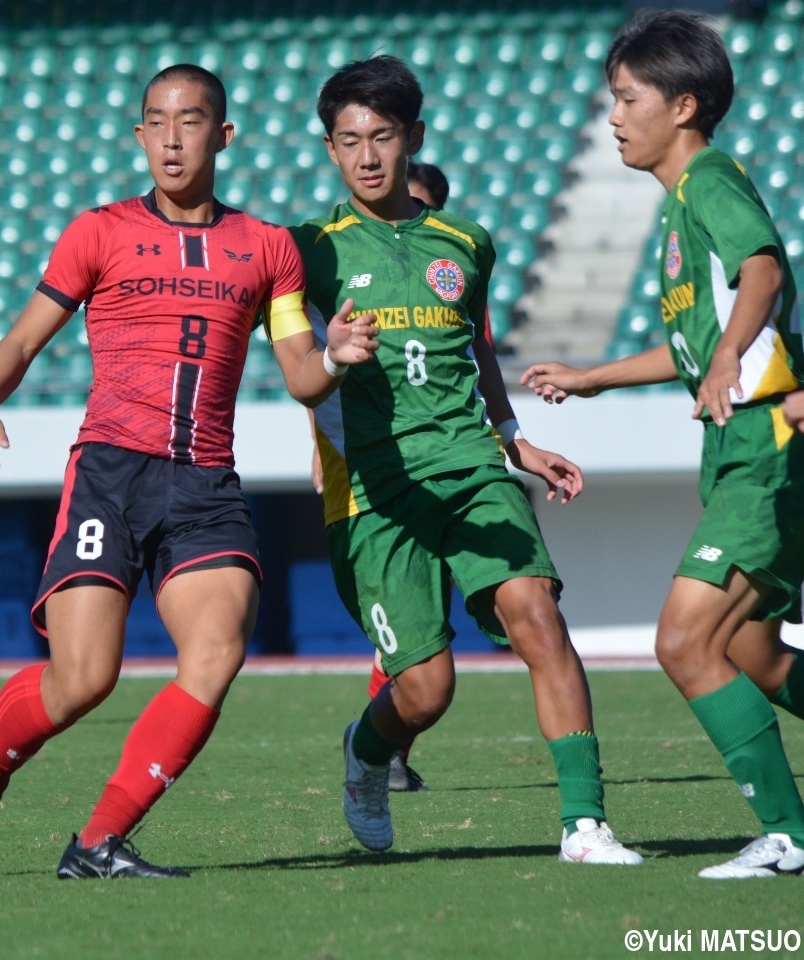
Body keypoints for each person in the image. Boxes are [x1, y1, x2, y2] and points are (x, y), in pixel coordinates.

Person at [0, 64, 377, 880]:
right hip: (110, 472)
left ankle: (98, 842)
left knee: (215, 652)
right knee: (81, 680)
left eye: (192, 120)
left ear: (224, 134)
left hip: (205, 483)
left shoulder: (267, 247)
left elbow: (298, 373)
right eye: (158, 122)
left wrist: (336, 357)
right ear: (139, 135)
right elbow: (25, 337)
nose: (173, 139)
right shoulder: (97, 232)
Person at [295, 55, 641, 865]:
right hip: (375, 493)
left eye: (383, 137)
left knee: (539, 618)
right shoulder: (305, 250)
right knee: (426, 689)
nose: (368, 155)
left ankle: (585, 824)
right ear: (330, 148)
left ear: (413, 138)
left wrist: (515, 439)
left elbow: (475, 353)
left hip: (473, 464)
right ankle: (366, 755)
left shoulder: (466, 244)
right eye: (350, 141)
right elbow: (290, 359)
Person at [521, 9, 804, 879]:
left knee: (684, 643)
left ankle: (787, 835)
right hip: (739, 452)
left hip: (765, 448)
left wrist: (727, 358)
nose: (612, 116)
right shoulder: (682, 206)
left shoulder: (712, 179)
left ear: (682, 106)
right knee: (752, 649)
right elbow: (693, 343)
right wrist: (594, 376)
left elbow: (766, 268)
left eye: (627, 97)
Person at [306, 159, 454, 794]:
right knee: (410, 637)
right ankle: (379, 748)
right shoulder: (338, 257)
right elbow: (319, 360)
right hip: (369, 468)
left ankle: (389, 748)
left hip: (444, 458)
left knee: (434, 620)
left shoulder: (449, 266)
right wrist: (317, 444)